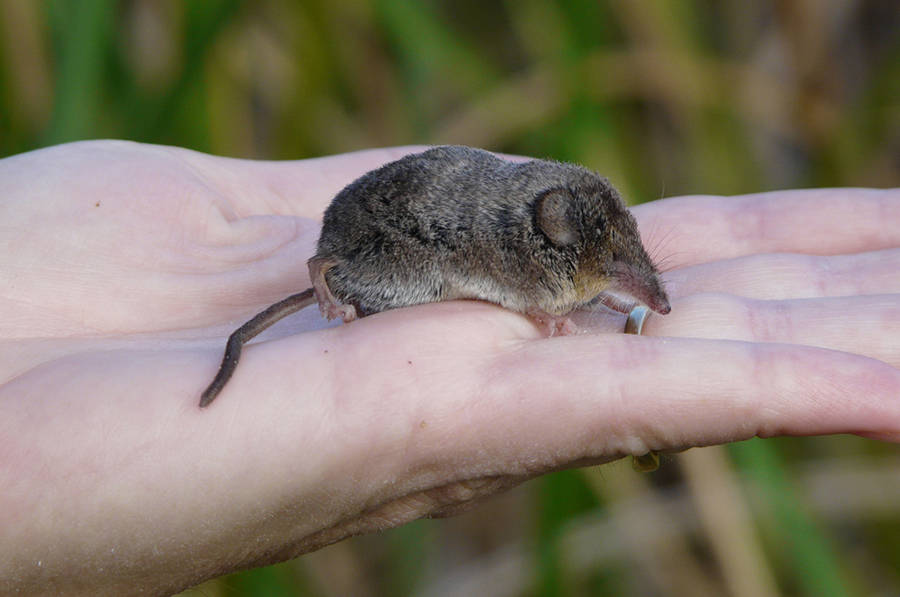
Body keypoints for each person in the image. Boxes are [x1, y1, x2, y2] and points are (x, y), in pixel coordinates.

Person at [0, 140, 897, 595]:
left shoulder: (553, 222)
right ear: (551, 246)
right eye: (616, 270)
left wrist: (598, 299)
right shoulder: (520, 250)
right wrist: (554, 313)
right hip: (385, 234)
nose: (638, 286)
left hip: (402, 205)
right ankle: (334, 282)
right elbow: (528, 285)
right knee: (415, 279)